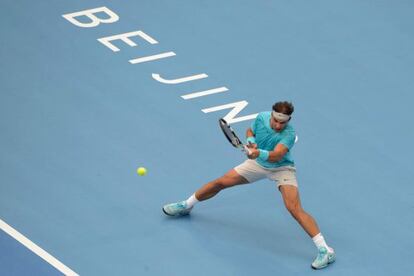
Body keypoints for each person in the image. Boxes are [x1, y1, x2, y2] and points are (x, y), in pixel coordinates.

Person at [162, 101, 335, 270]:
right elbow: (250, 130)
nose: (277, 125)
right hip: (257, 164)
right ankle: (187, 205)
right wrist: (251, 140)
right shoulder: (261, 117)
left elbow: (277, 155)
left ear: (288, 120)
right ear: (272, 115)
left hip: (282, 168)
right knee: (220, 182)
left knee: (293, 208)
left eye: (282, 123)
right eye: (275, 120)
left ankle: (325, 250)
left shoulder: (289, 133)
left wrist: (258, 152)